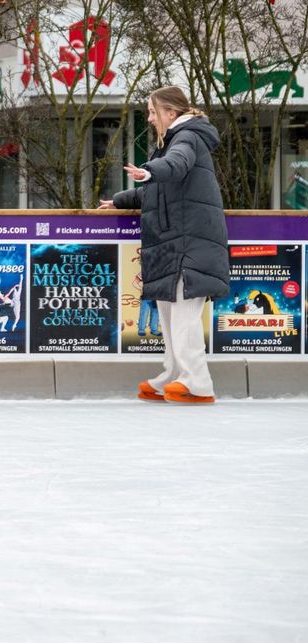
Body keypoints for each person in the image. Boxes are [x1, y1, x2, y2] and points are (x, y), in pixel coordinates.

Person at [100, 85, 229, 404]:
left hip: (188, 241)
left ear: (171, 113)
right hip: (173, 241)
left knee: (184, 314)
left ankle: (198, 383)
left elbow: (176, 166)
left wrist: (148, 172)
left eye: (152, 111)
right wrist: (121, 200)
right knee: (170, 313)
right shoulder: (171, 141)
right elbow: (159, 191)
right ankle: (173, 375)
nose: (149, 117)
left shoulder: (186, 138)